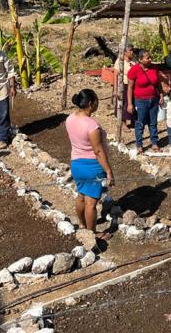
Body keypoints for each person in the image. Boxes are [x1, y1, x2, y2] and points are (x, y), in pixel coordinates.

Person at [65, 89, 115, 240]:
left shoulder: (70, 118)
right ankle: (92, 233)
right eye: (97, 101)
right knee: (91, 202)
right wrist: (108, 171)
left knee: (81, 196)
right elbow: (98, 151)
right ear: (91, 104)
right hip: (92, 166)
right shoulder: (92, 126)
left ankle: (81, 224)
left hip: (76, 164)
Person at [127, 49, 165, 153]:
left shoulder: (154, 68)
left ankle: (154, 143)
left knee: (153, 122)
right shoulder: (134, 70)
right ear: (140, 60)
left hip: (153, 99)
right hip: (140, 100)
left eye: (150, 57)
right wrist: (130, 103)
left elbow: (158, 83)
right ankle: (139, 144)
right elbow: (130, 88)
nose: (150, 59)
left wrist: (161, 94)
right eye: (147, 58)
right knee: (140, 123)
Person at [117, 44, 135, 130]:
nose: (132, 52)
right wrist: (115, 88)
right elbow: (115, 75)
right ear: (125, 52)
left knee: (133, 102)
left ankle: (133, 120)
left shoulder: (133, 61)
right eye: (130, 50)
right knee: (124, 103)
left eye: (132, 50)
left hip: (133, 84)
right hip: (124, 84)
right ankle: (123, 123)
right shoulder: (119, 61)